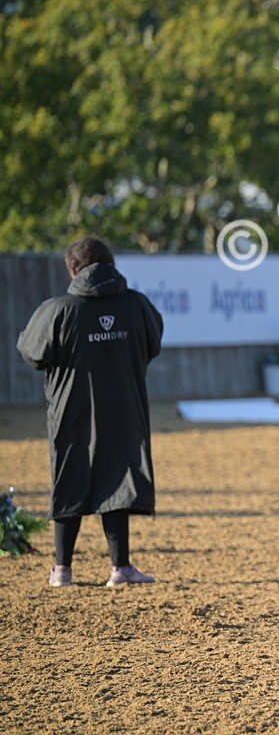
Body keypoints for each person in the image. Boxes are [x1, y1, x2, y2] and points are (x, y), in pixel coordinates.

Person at [17, 237, 164, 587]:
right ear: (111, 264)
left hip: (71, 410)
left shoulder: (57, 310)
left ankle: (62, 571)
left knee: (70, 477)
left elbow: (32, 353)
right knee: (118, 478)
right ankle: (121, 569)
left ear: (72, 269)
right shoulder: (137, 305)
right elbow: (153, 342)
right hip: (124, 408)